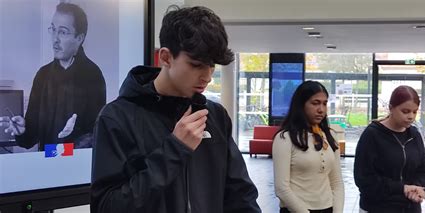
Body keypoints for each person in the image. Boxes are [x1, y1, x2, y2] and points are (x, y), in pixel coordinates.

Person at [90, 6, 261, 213]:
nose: (207, 76)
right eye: (196, 65)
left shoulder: (214, 116)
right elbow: (107, 207)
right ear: (165, 57)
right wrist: (175, 149)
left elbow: (241, 196)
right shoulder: (117, 117)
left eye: (212, 65)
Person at [1, 2, 105, 150]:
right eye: (53, 30)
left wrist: (70, 137)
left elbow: (97, 135)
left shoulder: (93, 75)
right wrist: (22, 131)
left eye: (62, 32)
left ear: (79, 38)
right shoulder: (42, 75)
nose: (55, 39)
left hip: (77, 167)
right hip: (46, 166)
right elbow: (30, 138)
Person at [354, 85, 425, 213]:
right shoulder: (372, 135)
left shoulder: (414, 135)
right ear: (391, 108)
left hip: (410, 207)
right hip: (378, 207)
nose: (411, 116)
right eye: (405, 111)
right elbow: (364, 178)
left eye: (415, 112)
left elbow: (424, 170)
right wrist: (402, 188)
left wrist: (418, 188)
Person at [273, 81, 344, 213]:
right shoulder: (285, 138)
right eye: (315, 103)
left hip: (327, 208)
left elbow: (336, 182)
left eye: (324, 103)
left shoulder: (330, 136)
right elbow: (282, 188)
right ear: (301, 105)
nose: (321, 109)